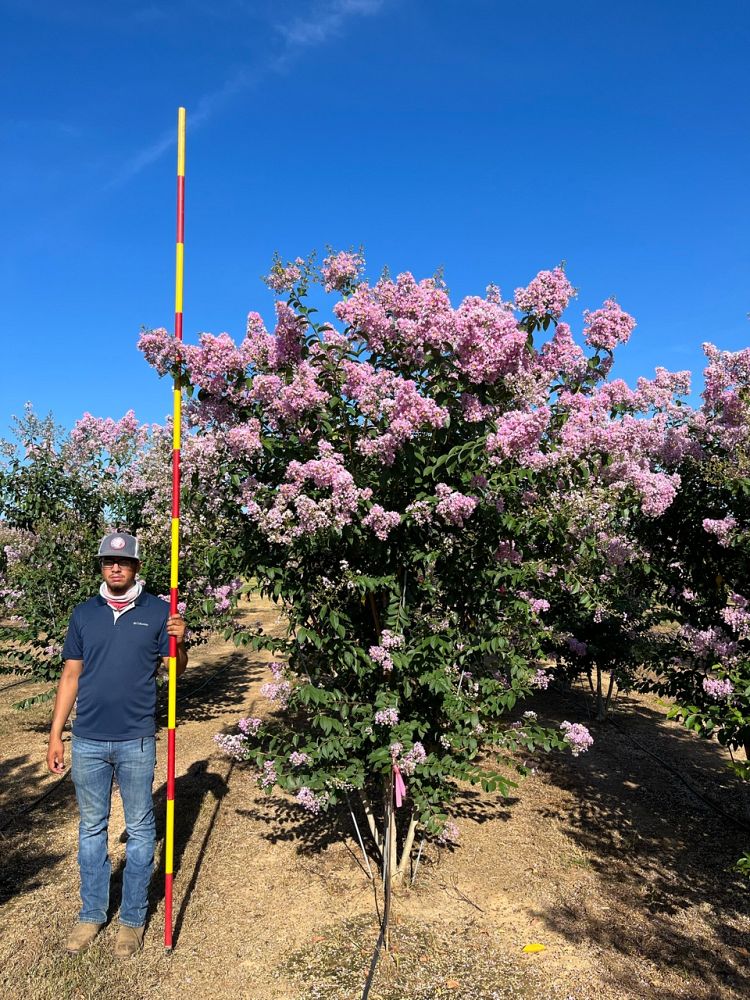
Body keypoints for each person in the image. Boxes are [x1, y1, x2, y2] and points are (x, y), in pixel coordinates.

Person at [46, 531, 187, 958]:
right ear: (102, 566)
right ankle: (91, 914)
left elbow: (177, 671)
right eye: (109, 561)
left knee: (142, 830)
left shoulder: (160, 612)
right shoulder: (84, 614)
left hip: (136, 740)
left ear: (136, 567)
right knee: (92, 829)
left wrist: (181, 641)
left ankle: (132, 919)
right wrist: (56, 734)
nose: (116, 567)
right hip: (87, 739)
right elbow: (71, 675)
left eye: (123, 562)